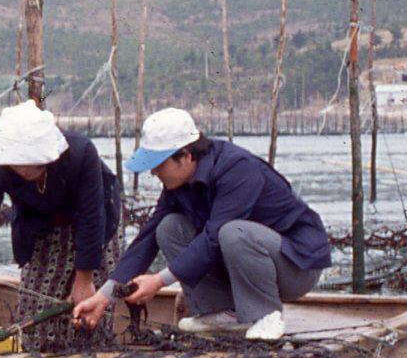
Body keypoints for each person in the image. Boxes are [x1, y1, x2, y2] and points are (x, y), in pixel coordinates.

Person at [73, 108, 331, 341]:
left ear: (185, 156)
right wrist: (103, 296)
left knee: (232, 232)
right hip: (244, 263)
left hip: (296, 266)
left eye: (158, 165)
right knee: (168, 227)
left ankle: (266, 315)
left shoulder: (237, 170)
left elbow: (213, 237)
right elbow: (148, 238)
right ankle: (220, 312)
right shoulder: (178, 185)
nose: (153, 173)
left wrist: (158, 281)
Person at [0, 100, 121, 352]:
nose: (22, 170)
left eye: (28, 163)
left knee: (88, 308)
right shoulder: (1, 170)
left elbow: (92, 217)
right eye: (16, 164)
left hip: (97, 219)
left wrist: (84, 279)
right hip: (43, 225)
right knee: (36, 312)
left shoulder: (81, 153)